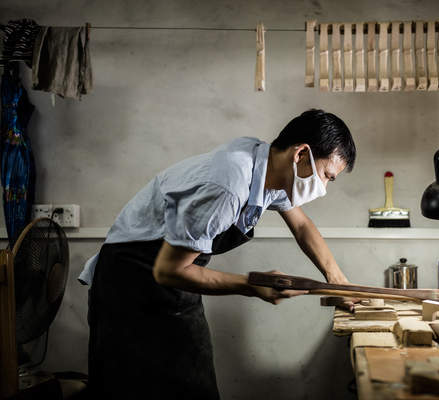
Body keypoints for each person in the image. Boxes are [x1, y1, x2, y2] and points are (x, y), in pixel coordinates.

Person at [79, 109, 357, 399]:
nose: (323, 188)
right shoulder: (228, 186)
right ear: (300, 154)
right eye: (326, 176)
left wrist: (337, 282)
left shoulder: (270, 168)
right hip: (131, 283)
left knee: (195, 385)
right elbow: (168, 271)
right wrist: (252, 285)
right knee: (131, 389)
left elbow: (301, 226)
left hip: (175, 279)